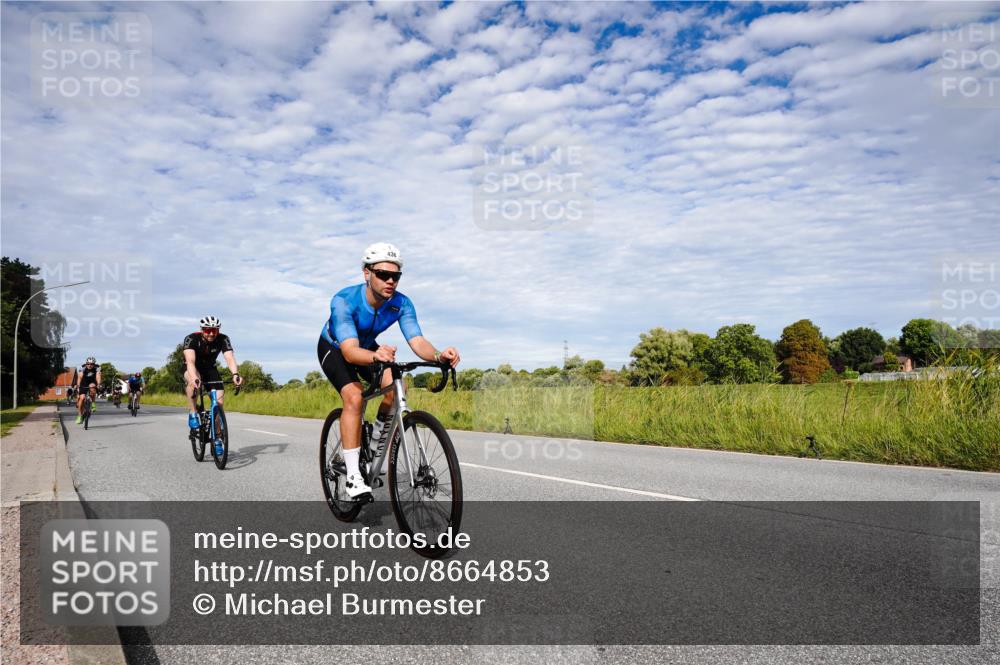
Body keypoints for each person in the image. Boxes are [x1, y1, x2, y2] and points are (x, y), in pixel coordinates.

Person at [317, 243, 460, 498]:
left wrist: (439, 355)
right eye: (383, 274)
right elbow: (350, 352)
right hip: (336, 347)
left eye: (396, 276)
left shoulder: (401, 303)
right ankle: (353, 476)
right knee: (355, 397)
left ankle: (375, 447)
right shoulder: (344, 300)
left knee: (396, 387)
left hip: (366, 346)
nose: (390, 280)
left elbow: (417, 341)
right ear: (367, 273)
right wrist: (376, 355)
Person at [182, 316, 243, 430]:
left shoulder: (223, 339)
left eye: (214, 330)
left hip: (210, 369)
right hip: (192, 367)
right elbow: (190, 361)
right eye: (208, 330)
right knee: (192, 382)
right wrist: (194, 377)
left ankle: (218, 436)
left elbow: (229, 358)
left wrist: (235, 374)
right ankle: (193, 412)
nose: (211, 334)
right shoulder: (191, 338)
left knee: (219, 404)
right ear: (202, 330)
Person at [75, 357, 101, 424]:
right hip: (83, 383)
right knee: (82, 398)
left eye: (91, 364)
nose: (89, 365)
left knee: (92, 387)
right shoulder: (82, 368)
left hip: (92, 382)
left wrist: (98, 384)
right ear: (86, 364)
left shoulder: (97, 368)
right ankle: (79, 416)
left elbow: (98, 377)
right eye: (88, 364)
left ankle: (93, 403)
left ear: (94, 364)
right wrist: (78, 386)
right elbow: (79, 378)